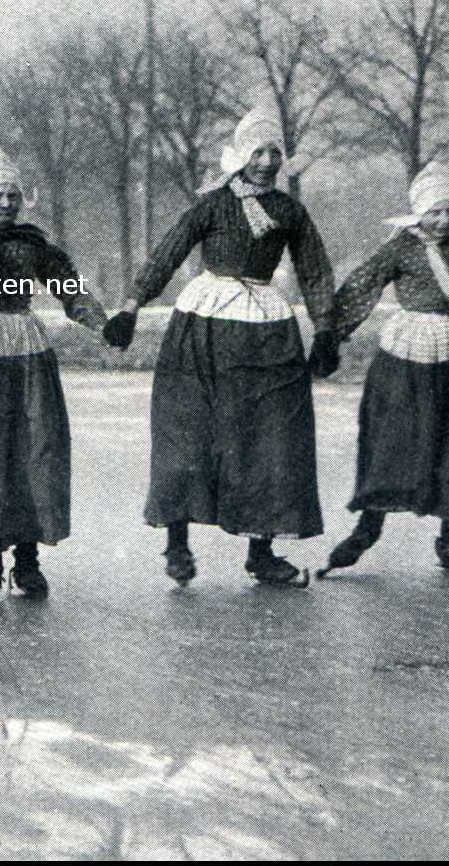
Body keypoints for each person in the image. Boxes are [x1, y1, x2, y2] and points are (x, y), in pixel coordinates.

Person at [103, 105, 340, 587]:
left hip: (266, 329)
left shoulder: (290, 211)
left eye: (276, 151)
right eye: (259, 151)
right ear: (240, 156)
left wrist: (327, 329)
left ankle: (262, 551)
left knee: (272, 438)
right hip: (204, 328)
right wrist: (131, 306)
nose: (269, 161)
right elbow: (167, 253)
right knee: (189, 432)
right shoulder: (211, 205)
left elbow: (314, 270)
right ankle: (177, 543)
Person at [318, 161, 449, 577]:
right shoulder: (399, 248)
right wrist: (331, 337)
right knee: (393, 438)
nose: (444, 219)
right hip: (407, 355)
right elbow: (362, 285)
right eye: (435, 211)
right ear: (418, 213)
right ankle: (368, 527)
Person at [0, 146, 107, 602]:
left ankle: (27, 558)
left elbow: (69, 290)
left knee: (33, 451)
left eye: (13, 196)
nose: (5, 204)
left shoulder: (33, 244)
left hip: (27, 354)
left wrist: (101, 321)